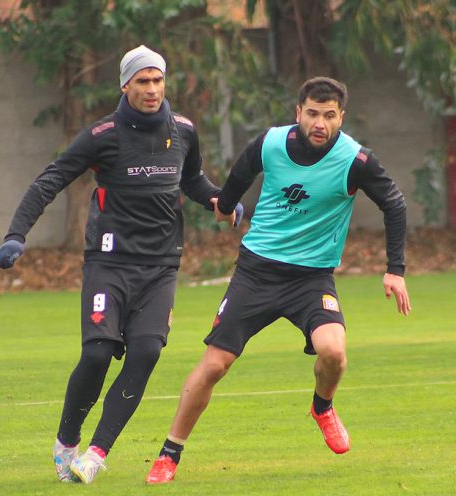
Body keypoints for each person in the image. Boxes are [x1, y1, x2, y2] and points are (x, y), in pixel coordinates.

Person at [0, 45, 241, 485]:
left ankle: (97, 452)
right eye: (142, 81)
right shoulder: (101, 135)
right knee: (97, 353)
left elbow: (193, 179)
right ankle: (66, 441)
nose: (151, 89)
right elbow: (50, 180)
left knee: (146, 351)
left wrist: (220, 199)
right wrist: (16, 235)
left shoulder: (183, 130)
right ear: (125, 84)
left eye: (158, 80)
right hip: (109, 263)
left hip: (161, 265)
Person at [145, 76, 411, 484]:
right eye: (312, 113)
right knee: (216, 364)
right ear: (298, 113)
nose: (319, 123)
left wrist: (395, 270)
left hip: (311, 279)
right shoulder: (270, 143)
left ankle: (322, 408)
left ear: (341, 117)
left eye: (328, 115)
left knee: (334, 352)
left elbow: (394, 204)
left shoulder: (356, 160)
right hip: (257, 271)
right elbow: (241, 171)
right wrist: (228, 204)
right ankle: (169, 453)